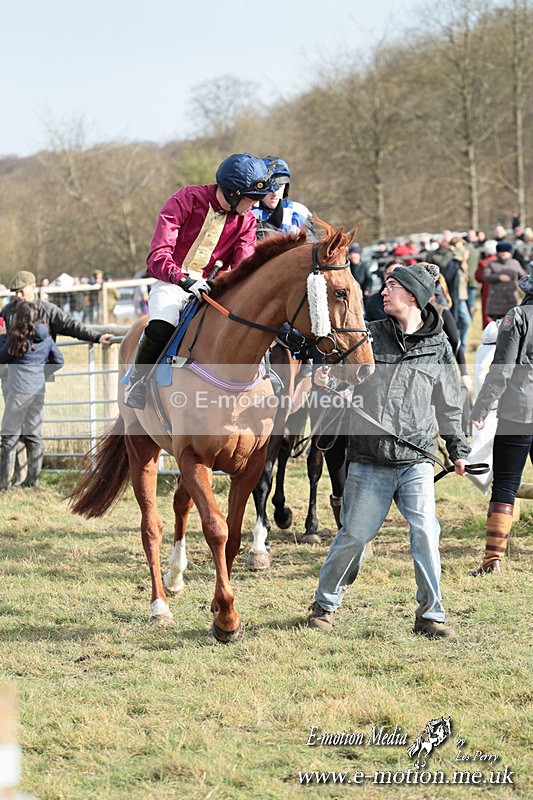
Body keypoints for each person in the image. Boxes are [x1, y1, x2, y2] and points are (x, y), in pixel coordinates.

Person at [307, 262, 470, 638]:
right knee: (355, 536)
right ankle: (325, 603)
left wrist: (457, 447)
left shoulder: (438, 345)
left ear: (412, 296)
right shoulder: (367, 335)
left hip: (417, 459)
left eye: (392, 286)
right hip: (369, 458)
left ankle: (431, 615)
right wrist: (326, 377)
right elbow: (335, 368)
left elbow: (449, 405)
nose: (383, 291)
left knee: (426, 532)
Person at [124, 152, 279, 410]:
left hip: (215, 287)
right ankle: (138, 383)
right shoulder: (186, 199)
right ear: (233, 194)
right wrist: (183, 280)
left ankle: (266, 375)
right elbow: (157, 255)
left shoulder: (247, 221)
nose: (254, 205)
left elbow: (243, 264)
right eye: (251, 199)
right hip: (173, 281)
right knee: (161, 325)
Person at [0, 270, 113, 484]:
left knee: (18, 431)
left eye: (21, 292)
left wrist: (97, 337)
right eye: (15, 293)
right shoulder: (8, 311)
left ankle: (13, 480)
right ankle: (23, 477)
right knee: (24, 430)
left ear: (32, 288)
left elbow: (72, 325)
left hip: (25, 379)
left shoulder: (48, 311)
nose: (18, 297)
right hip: (13, 378)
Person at [469, 264, 533, 575]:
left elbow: (502, 369)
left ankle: (493, 560)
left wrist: (481, 407)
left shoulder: (516, 317)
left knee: (506, 484)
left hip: (518, 410)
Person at [0, 302, 64, 489]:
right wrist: (40, 374)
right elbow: (58, 360)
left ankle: (4, 483)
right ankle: (32, 481)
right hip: (37, 391)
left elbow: (2, 357)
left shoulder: (16, 337)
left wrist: (2, 336)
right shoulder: (46, 337)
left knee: (8, 437)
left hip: (18, 391)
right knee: (34, 435)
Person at [251, 156, 317, 241]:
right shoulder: (246, 212)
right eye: (269, 187)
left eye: (280, 186)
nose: (275, 193)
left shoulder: (300, 213)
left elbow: (310, 249)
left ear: (286, 187)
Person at [482, 241, 527, 323]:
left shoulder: (515, 263)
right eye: (500, 251)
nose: (503, 254)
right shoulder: (492, 264)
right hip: (496, 301)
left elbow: (523, 277)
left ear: (510, 253)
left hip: (511, 300)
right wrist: (498, 277)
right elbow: (485, 276)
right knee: (496, 326)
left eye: (505, 251)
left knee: (512, 324)